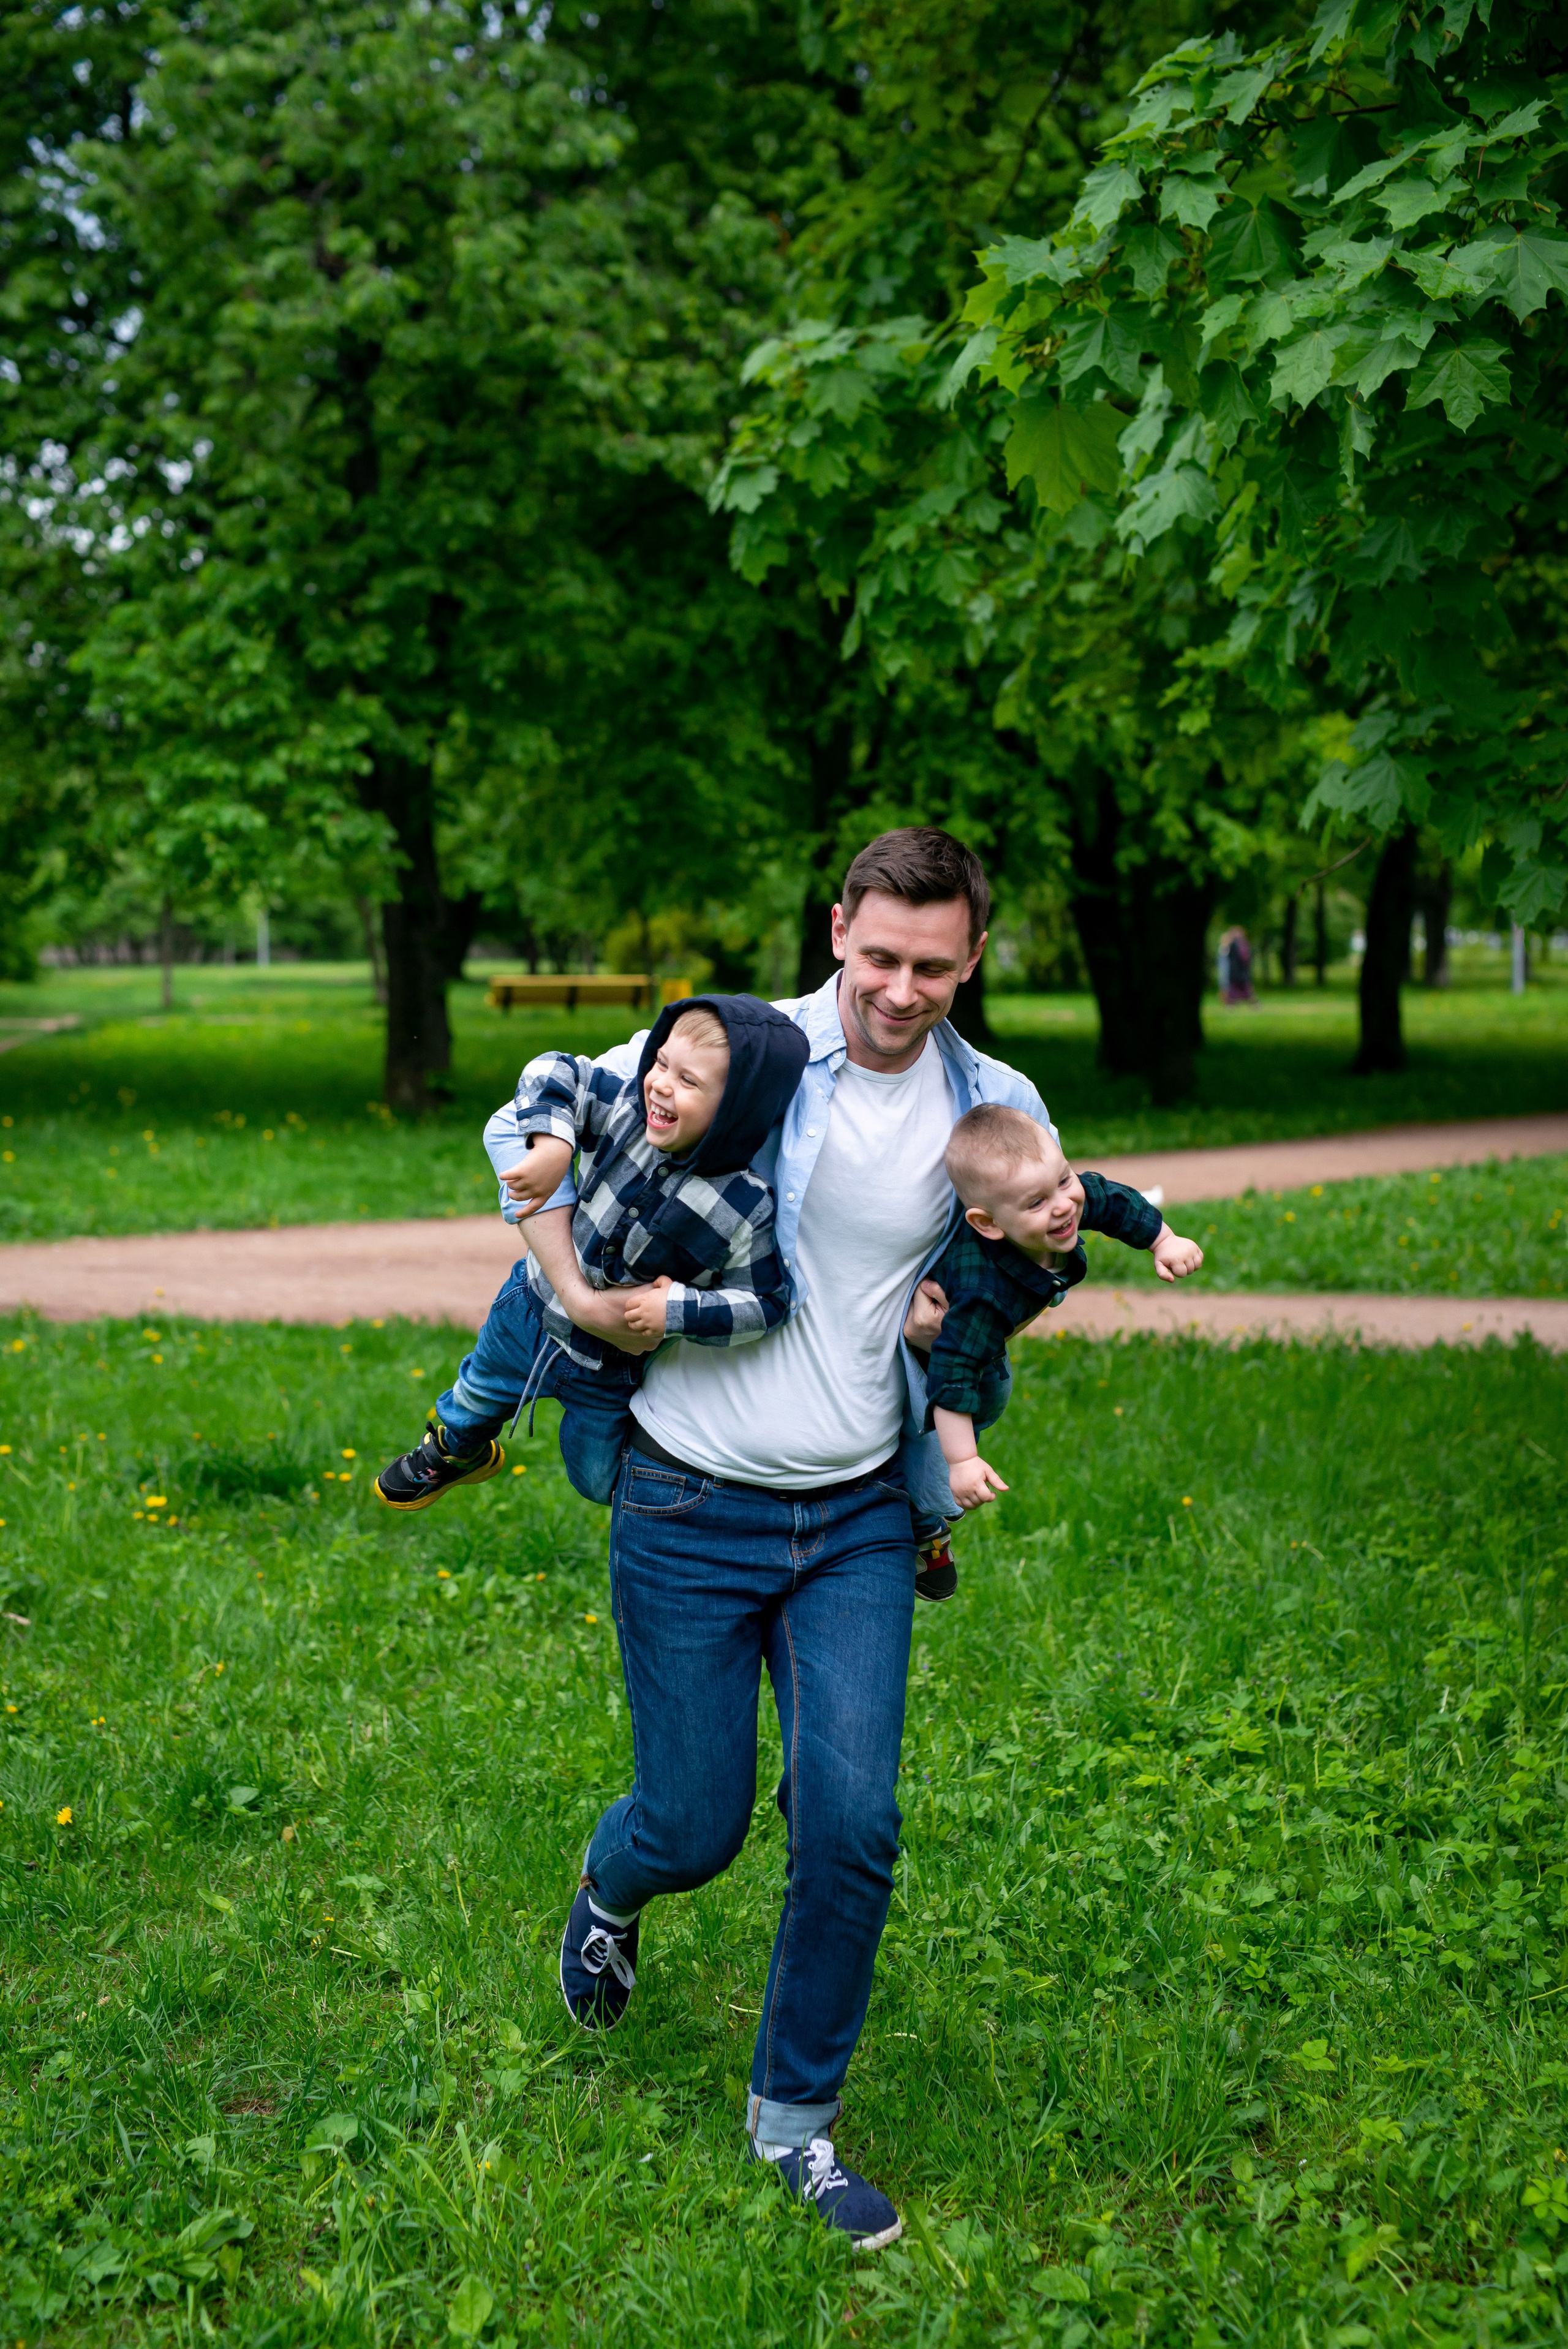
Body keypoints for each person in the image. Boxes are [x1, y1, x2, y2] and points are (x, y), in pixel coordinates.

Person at [508, 828, 1058, 2253]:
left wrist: (979, 1305)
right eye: (877, 954)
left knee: (850, 1818)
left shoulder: (992, 1098)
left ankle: (793, 2120)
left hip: (859, 1515)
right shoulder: (731, 1047)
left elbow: (1034, 1246)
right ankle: (612, 1884)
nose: (898, 987)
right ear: (835, 928)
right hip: (687, 1499)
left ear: (973, 957)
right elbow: (536, 1125)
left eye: (932, 965)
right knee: (692, 1822)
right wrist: (574, 1277)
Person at [373, 995, 807, 1512]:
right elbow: (552, 1069)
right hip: (531, 1307)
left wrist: (681, 1310)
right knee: (476, 1394)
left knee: (596, 1478)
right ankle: (457, 1450)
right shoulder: (626, 1109)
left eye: (688, 1081)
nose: (662, 1083)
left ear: (738, 1109)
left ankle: (671, 1509)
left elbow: (765, 1302)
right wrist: (555, 1142)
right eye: (662, 1062)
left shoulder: (743, 1204)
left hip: (610, 1362)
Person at [909, 1103, 1204, 1531]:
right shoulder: (981, 1295)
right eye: (1037, 1202)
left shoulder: (1066, 1198)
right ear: (988, 1223)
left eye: (1064, 1178)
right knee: (969, 1408)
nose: (1064, 1205)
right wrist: (964, 1460)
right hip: (952, 1352)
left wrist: (1164, 1240)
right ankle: (924, 1521)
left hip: (989, 1327)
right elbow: (953, 1373)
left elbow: (1112, 1201)